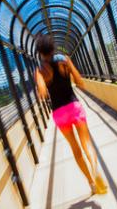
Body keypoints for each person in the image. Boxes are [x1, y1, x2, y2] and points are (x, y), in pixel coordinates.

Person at [34, 34, 108, 195]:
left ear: (40, 53)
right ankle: (95, 169)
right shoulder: (64, 61)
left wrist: (44, 86)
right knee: (86, 142)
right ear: (53, 48)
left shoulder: (40, 70)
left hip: (59, 113)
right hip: (73, 106)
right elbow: (79, 81)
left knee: (75, 149)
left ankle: (91, 183)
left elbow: (42, 93)